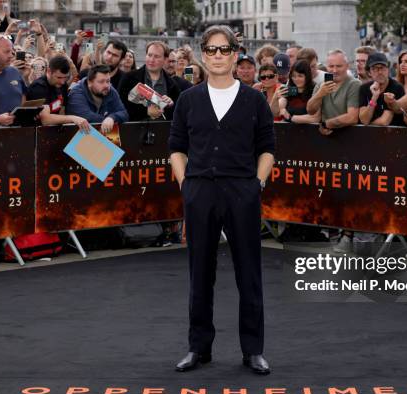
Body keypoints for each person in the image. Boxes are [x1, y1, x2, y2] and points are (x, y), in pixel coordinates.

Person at [169, 25, 275, 375]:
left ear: (235, 53)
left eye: (224, 50)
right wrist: (187, 186)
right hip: (200, 192)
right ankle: (198, 348)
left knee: (250, 273)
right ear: (202, 54)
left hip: (242, 192)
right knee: (200, 273)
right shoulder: (188, 99)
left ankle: (253, 350)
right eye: (211, 50)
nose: (217, 56)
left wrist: (256, 185)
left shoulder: (255, 100)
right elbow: (176, 149)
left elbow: (267, 150)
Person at [118, 41, 180, 121]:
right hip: (134, 130)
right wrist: (145, 111)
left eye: (157, 56)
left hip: (162, 130)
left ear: (165, 59)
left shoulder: (173, 85)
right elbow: (120, 107)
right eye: (149, 55)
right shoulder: (128, 78)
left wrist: (170, 104)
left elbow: (178, 113)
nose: (151, 60)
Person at [26, 55, 90, 130]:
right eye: (59, 77)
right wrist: (73, 118)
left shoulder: (62, 85)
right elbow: (46, 119)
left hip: (55, 131)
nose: (62, 82)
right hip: (36, 132)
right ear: (49, 71)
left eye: (65, 77)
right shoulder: (38, 87)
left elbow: (62, 108)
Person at [306, 49, 361, 135]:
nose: (334, 70)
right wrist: (320, 94)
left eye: (339, 66)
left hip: (350, 137)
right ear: (326, 67)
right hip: (325, 138)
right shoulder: (321, 85)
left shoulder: (354, 84)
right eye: (331, 66)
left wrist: (327, 124)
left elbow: (352, 117)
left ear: (347, 66)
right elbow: (310, 111)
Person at [66, 64, 128, 133]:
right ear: (90, 83)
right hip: (75, 136)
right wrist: (107, 120)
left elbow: (124, 113)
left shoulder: (110, 90)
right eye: (101, 82)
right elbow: (87, 117)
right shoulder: (76, 93)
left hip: (99, 135)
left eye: (108, 81)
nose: (106, 85)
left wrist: (112, 118)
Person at [358, 52, 405, 126]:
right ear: (369, 72)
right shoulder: (364, 89)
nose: (380, 72)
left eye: (382, 68)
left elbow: (384, 121)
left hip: (393, 134)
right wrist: (374, 97)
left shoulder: (396, 87)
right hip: (371, 135)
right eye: (375, 69)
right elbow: (364, 120)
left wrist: (367, 126)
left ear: (388, 69)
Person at [273, 59, 320, 124]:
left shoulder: (315, 89)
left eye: (300, 76)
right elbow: (276, 113)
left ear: (307, 76)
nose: (296, 79)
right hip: (288, 131)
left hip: (310, 132)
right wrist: (275, 97)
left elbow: (315, 118)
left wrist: (291, 118)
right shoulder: (289, 89)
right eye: (293, 76)